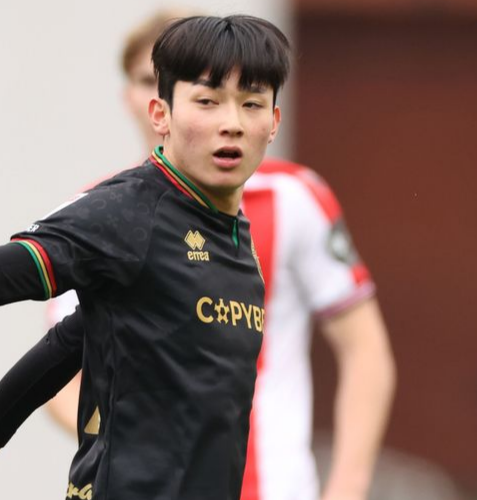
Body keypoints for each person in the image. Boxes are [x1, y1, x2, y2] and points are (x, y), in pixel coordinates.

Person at [44, 10, 396, 500]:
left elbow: (365, 350)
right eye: (149, 80)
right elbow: (61, 375)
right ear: (141, 100)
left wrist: (348, 487)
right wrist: (139, 447)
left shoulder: (293, 198)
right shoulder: (90, 215)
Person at [0, 14, 289, 500]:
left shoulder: (232, 230)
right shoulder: (124, 214)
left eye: (251, 104)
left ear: (273, 123)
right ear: (160, 114)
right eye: (207, 101)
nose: (231, 124)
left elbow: (76, 338)